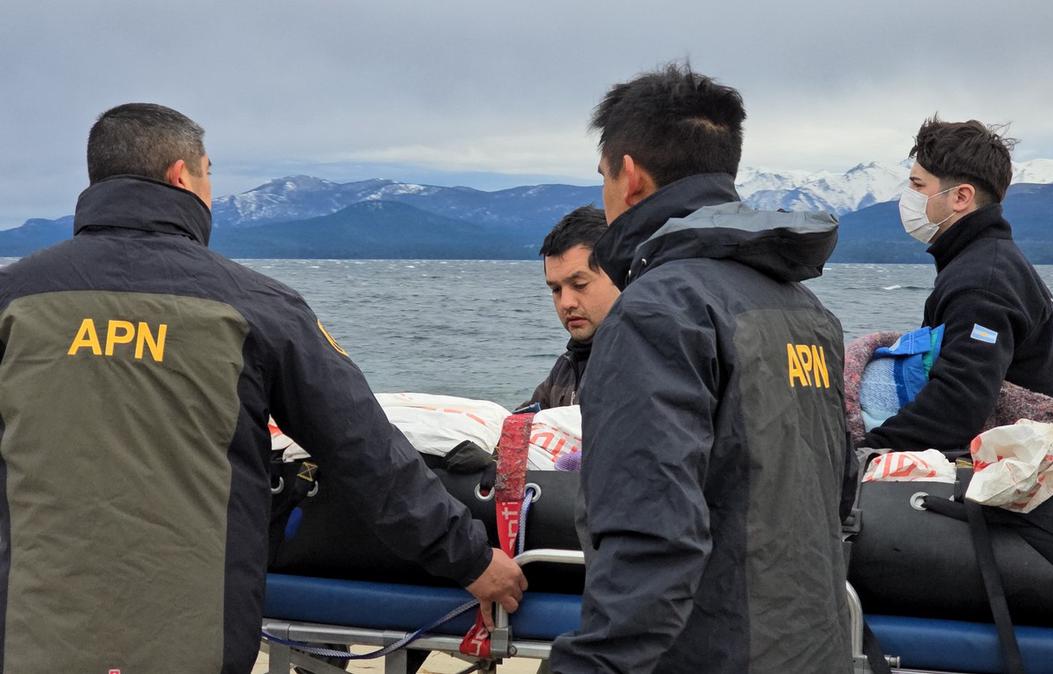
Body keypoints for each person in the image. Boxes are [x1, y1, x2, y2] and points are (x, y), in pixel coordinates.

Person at [0, 103, 525, 674]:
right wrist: (469, 557)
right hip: (193, 639)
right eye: (208, 174)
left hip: (27, 633)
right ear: (182, 176)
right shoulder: (257, 307)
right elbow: (366, 453)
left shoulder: (14, 299)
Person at [550, 65, 851, 673]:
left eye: (603, 177)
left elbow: (652, 538)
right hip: (812, 650)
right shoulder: (805, 310)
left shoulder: (658, 311)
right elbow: (835, 497)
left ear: (629, 176)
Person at [861, 117, 1053, 453]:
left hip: (1001, 473)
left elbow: (958, 405)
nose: (908, 197)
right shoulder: (993, 263)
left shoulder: (981, 283)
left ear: (960, 197)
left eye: (917, 185)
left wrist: (865, 450)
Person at [523, 205, 618, 409]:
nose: (566, 303)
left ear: (619, 275)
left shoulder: (645, 364)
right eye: (556, 289)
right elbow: (519, 427)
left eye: (579, 285)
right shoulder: (567, 367)